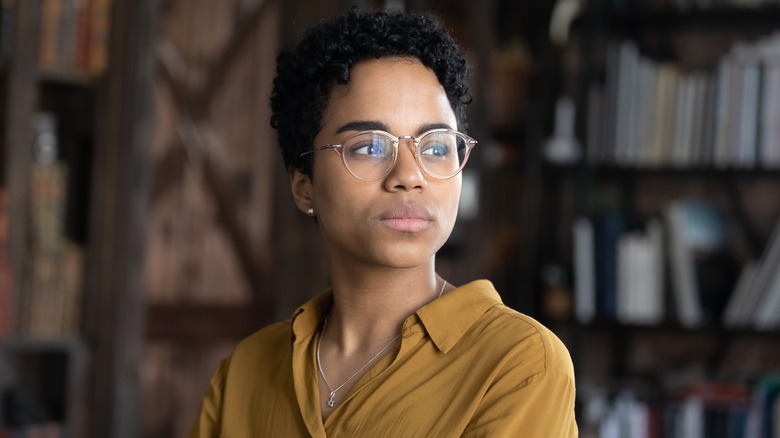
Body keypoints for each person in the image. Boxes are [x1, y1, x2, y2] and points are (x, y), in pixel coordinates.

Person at [189, 7, 577, 437]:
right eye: (370, 147)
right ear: (304, 186)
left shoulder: (518, 363)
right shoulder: (246, 371)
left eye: (436, 146)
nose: (409, 176)